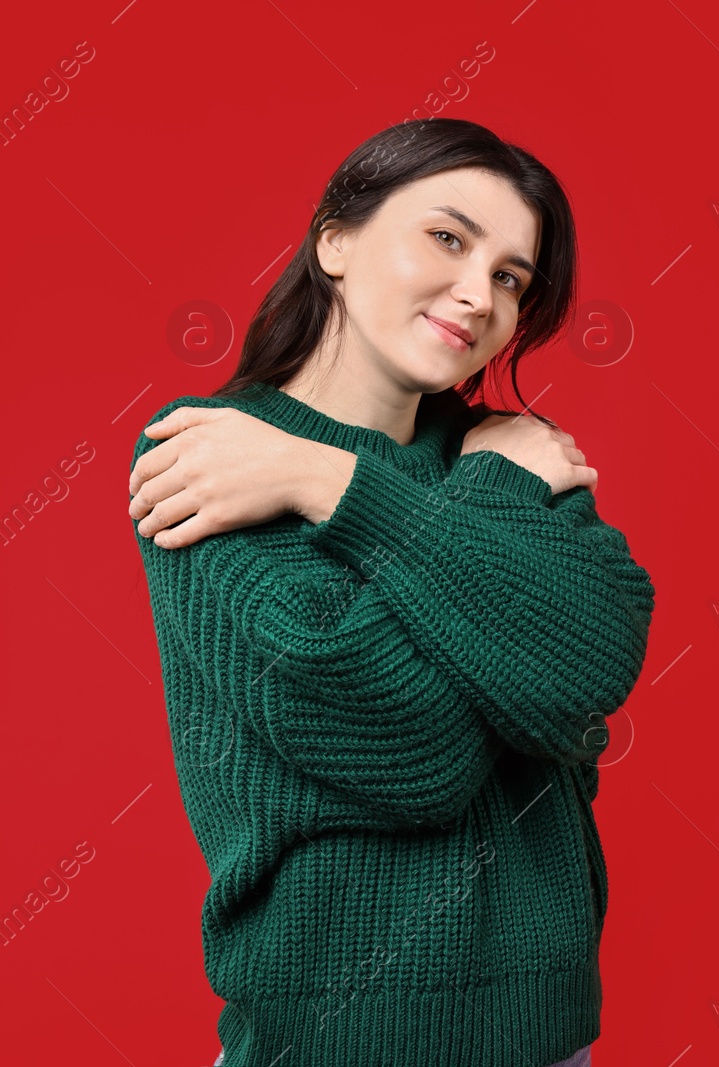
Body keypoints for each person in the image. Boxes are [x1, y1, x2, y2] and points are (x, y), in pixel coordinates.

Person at [127, 118, 653, 1067]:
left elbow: (593, 667)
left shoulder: (507, 458)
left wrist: (331, 485)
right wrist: (477, 548)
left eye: (510, 278)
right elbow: (408, 749)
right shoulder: (207, 450)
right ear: (336, 238)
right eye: (448, 239)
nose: (477, 294)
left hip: (552, 1037)